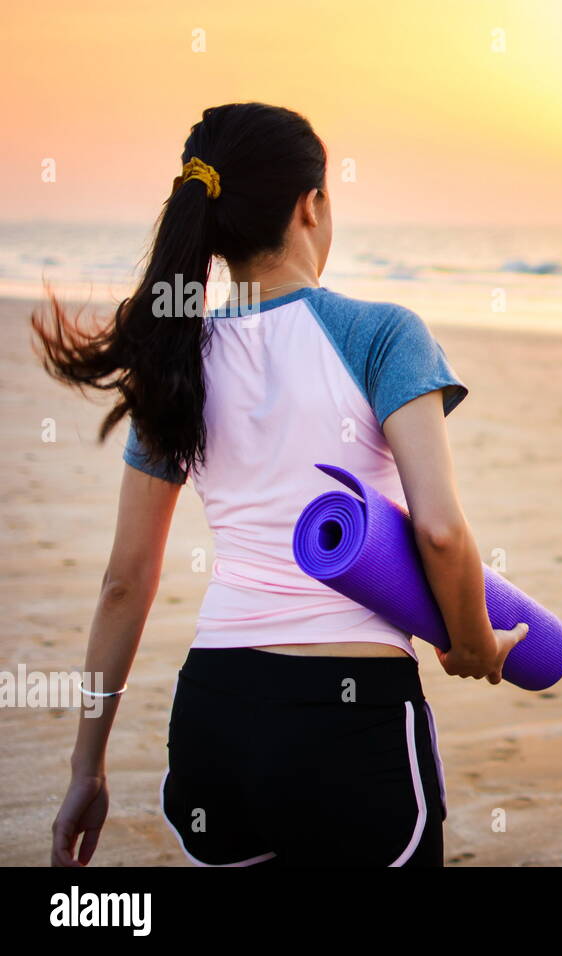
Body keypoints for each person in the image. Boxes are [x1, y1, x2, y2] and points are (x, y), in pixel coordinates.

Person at [34, 103, 525, 867]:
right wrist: (472, 643)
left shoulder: (175, 361)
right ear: (312, 205)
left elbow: (124, 584)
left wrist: (85, 770)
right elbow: (439, 530)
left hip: (215, 715)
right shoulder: (382, 333)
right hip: (348, 719)